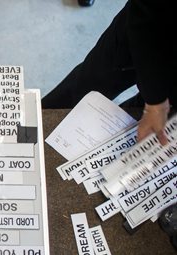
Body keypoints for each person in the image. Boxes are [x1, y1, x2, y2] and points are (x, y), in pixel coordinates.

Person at [42, 0, 176, 238]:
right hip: (150, 26)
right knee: (85, 89)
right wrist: (155, 100)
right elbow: (147, 11)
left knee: (136, 131)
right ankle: (31, 132)